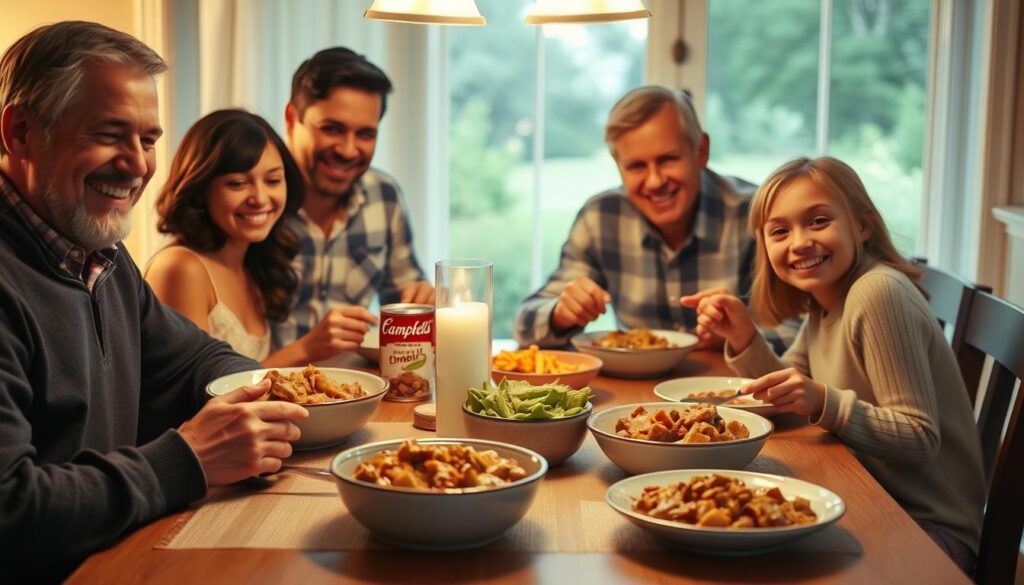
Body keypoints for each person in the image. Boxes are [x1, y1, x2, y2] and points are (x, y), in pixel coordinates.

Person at [0, 22, 308, 582]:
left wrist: (262, 396)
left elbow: (197, 360)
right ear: (21, 132)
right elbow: (11, 508)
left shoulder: (103, 257)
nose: (138, 165)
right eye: (110, 133)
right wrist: (187, 459)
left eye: (147, 140)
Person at [686, 156, 985, 573]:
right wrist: (744, 336)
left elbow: (919, 437)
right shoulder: (824, 303)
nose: (800, 242)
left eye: (819, 221)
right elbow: (791, 389)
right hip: (869, 498)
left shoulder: (876, 294)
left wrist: (825, 401)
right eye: (780, 231)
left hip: (926, 531)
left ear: (862, 225)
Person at [514, 85, 778, 349]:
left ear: (701, 152)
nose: (654, 181)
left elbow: (801, 332)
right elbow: (525, 326)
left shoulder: (755, 214)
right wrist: (561, 313)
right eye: (637, 166)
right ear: (619, 167)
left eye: (668, 159)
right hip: (635, 389)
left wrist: (743, 336)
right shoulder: (601, 218)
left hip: (734, 386)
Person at [146, 109, 367, 365]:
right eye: (238, 184)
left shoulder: (253, 263)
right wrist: (304, 349)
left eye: (273, 180)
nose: (260, 199)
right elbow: (197, 396)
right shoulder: (181, 268)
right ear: (201, 187)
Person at [273, 47, 433, 351]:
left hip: (355, 390)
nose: (348, 150)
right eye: (332, 129)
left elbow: (404, 297)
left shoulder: (383, 196)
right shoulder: (254, 202)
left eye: (365, 134)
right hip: (260, 390)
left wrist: (421, 299)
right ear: (292, 118)